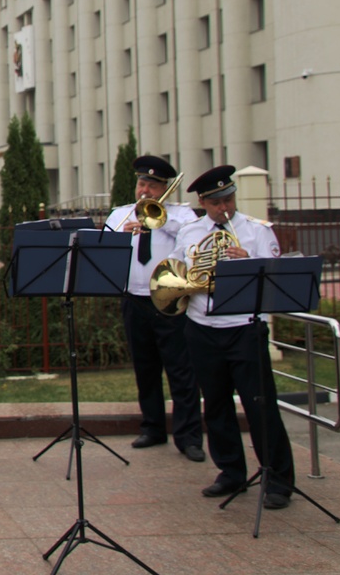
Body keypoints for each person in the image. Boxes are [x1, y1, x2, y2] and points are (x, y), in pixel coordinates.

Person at [165, 165, 295, 509]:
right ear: (203, 202)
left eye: (229, 198)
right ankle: (230, 472)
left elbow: (275, 280)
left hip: (244, 328)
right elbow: (177, 272)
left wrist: (248, 260)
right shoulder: (191, 232)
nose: (225, 207)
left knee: (260, 404)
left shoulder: (256, 231)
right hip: (202, 327)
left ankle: (278, 479)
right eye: (217, 202)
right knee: (217, 404)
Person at [102, 156, 204, 462]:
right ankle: (153, 427)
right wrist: (123, 233)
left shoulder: (182, 216)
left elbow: (191, 247)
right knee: (145, 369)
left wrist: (157, 220)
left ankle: (189, 437)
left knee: (181, 371)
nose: (144, 190)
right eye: (141, 183)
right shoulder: (120, 214)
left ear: (165, 188)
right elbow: (104, 249)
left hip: (170, 301)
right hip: (134, 299)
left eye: (152, 185)